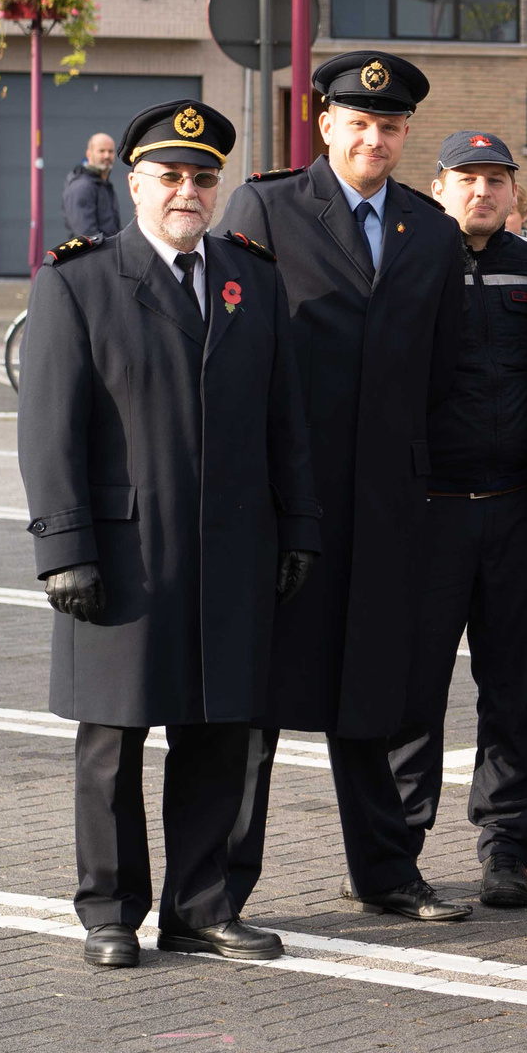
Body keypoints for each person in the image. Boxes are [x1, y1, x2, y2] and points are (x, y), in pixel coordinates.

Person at [21, 102, 316, 968]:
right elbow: (50, 431)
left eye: (203, 177)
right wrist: (64, 548)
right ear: (136, 184)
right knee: (112, 740)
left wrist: (298, 525)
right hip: (125, 556)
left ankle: (200, 906)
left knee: (218, 731)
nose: (188, 192)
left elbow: (283, 417)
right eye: (171, 177)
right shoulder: (77, 280)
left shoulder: (249, 276)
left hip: (232, 549)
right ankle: (110, 911)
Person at [219, 51, 467, 922]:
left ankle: (388, 874)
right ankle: (222, 891)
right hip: (290, 499)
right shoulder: (267, 206)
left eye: (390, 126)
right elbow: (239, 345)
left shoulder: (429, 231)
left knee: (375, 693)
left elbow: (442, 367)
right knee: (257, 701)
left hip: (388, 504)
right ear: (324, 124)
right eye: (358, 122)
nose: (374, 137)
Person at [387, 131, 527, 910]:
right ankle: (396, 847)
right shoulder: (412, 265)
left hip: (517, 512)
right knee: (413, 691)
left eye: (496, 180)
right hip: (433, 513)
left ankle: (506, 849)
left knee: (514, 692)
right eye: (467, 179)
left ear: (514, 192)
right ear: (438, 186)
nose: (481, 193)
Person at [62, 132, 121, 240]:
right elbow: (87, 235)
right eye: (101, 151)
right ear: (89, 154)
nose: (107, 155)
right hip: (92, 255)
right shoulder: (81, 187)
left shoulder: (104, 185)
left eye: (110, 151)